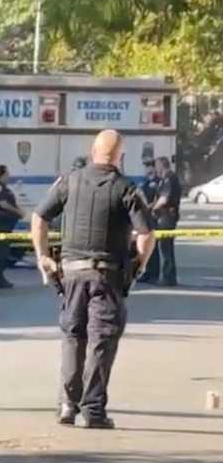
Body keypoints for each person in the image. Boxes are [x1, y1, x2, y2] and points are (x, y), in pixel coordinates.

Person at [31, 130, 155, 430]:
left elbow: (39, 217)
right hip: (107, 275)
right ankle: (94, 410)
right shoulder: (126, 188)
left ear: (93, 151)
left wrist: (43, 256)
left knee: (73, 336)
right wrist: (140, 264)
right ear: (119, 156)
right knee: (102, 339)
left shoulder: (69, 181)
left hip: (71, 273)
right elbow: (147, 234)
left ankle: (66, 405)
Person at [0, 165, 25, 289]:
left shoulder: (3, 187)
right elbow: (3, 204)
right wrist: (17, 212)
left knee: (4, 250)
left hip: (6, 224)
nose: (9, 176)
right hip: (1, 224)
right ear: (2, 175)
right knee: (2, 252)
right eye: (7, 174)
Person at [149, 156, 180, 286]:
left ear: (162, 165)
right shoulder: (164, 178)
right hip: (163, 216)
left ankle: (169, 277)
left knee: (166, 247)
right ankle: (164, 275)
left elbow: (164, 199)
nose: (155, 168)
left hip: (167, 216)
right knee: (163, 247)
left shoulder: (169, 177)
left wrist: (152, 208)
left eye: (157, 165)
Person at [139, 159, 161, 284]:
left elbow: (156, 199)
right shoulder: (146, 182)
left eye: (148, 166)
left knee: (154, 248)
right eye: (145, 167)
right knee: (148, 248)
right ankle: (147, 272)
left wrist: (149, 207)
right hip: (146, 217)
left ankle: (154, 274)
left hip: (154, 217)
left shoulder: (157, 182)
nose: (146, 169)